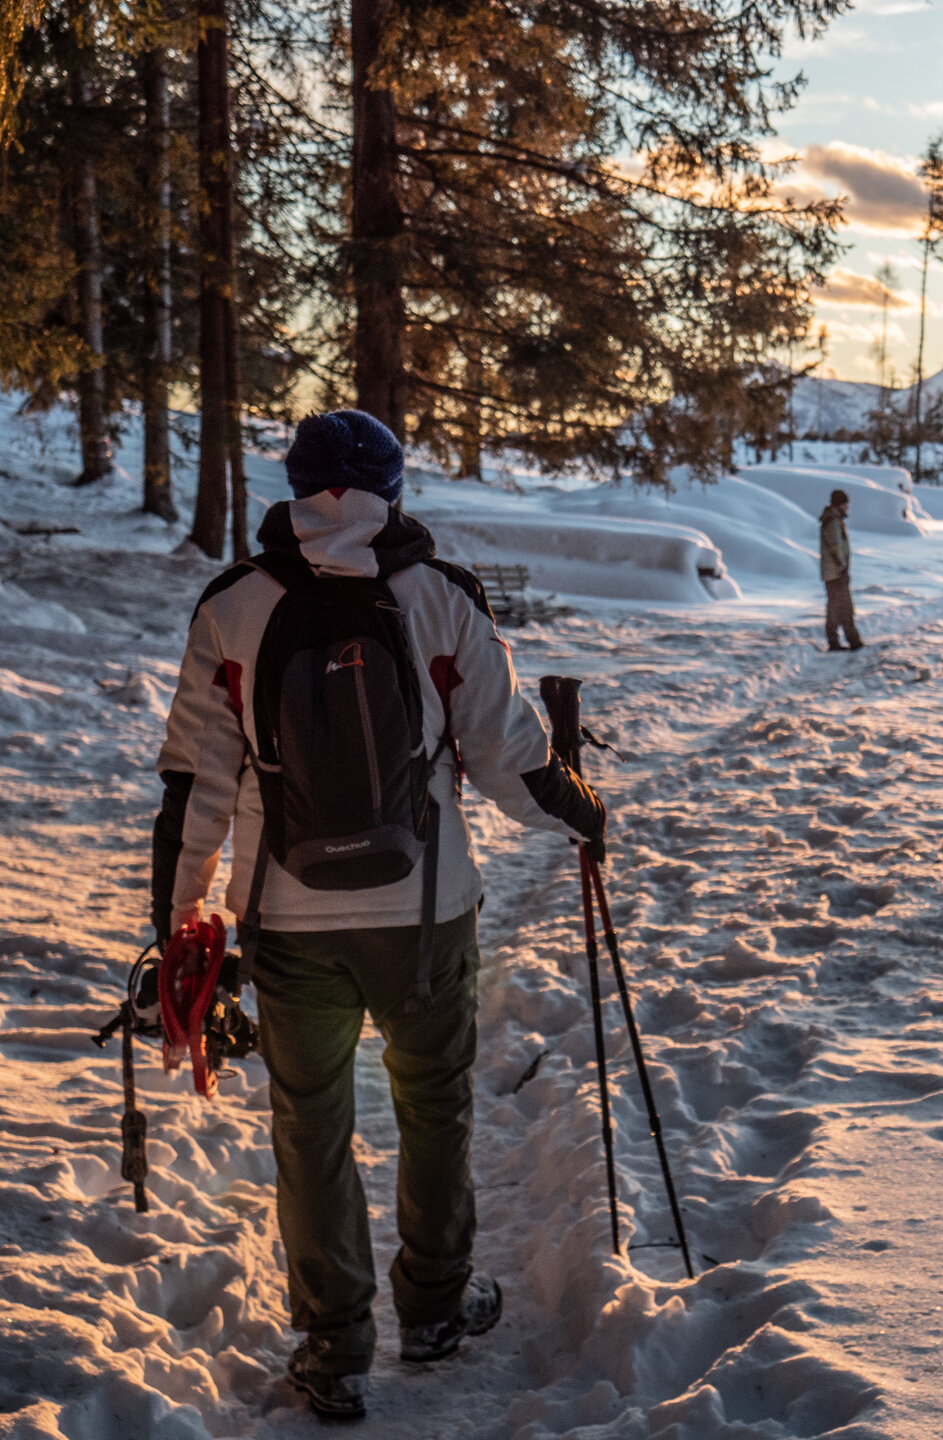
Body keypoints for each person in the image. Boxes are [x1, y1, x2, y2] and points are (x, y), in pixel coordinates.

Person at [150, 409, 605, 1420]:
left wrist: (181, 919)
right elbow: (509, 760)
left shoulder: (234, 606)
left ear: (293, 484)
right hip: (427, 912)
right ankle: (437, 1305)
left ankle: (333, 1345)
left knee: (310, 1124)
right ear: (394, 488)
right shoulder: (440, 598)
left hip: (287, 918)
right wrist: (584, 817)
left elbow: (198, 783)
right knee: (431, 1100)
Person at [819, 488, 863, 651]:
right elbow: (836, 547)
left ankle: (836, 641)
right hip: (836, 573)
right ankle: (852, 641)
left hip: (833, 572)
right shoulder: (833, 522)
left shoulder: (832, 520)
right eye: (846, 504)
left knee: (835, 608)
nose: (848, 507)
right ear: (841, 504)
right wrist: (842, 567)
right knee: (844, 607)